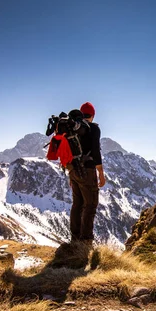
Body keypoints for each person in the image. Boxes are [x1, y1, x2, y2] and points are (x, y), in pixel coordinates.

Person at [69, 102, 105, 246]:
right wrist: (101, 173)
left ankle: (75, 239)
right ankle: (86, 242)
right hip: (87, 170)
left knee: (77, 204)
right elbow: (95, 151)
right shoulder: (94, 128)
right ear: (93, 115)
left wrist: (71, 175)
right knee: (90, 204)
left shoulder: (72, 128)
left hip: (73, 170)